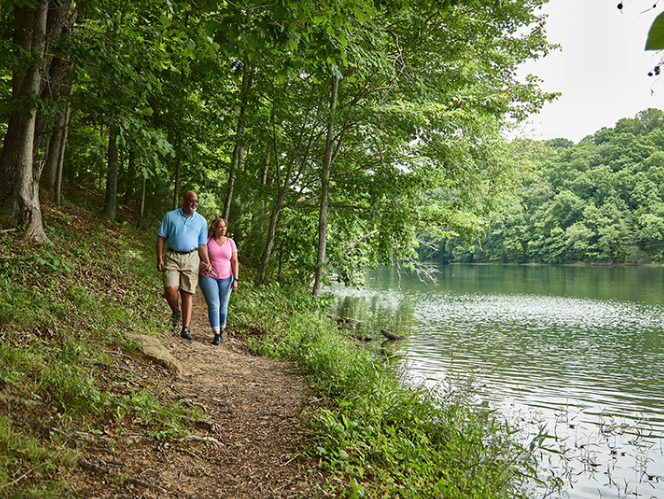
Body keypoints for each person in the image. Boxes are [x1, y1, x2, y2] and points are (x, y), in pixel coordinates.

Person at [156, 190, 210, 340]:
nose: (195, 204)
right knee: (170, 289)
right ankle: (175, 311)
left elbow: (202, 245)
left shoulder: (201, 221)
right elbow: (161, 238)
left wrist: (207, 262)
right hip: (172, 256)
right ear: (184, 200)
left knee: (187, 293)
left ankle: (186, 328)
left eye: (196, 201)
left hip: (191, 257)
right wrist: (159, 258)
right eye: (192, 201)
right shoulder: (170, 216)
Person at [198, 217, 239, 345]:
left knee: (223, 306)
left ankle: (221, 330)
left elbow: (234, 261)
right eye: (220, 227)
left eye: (225, 227)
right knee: (214, 305)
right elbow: (196, 256)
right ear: (214, 228)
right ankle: (216, 334)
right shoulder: (207, 241)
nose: (223, 229)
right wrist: (202, 264)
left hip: (226, 278)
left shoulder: (230, 242)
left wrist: (236, 279)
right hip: (209, 277)